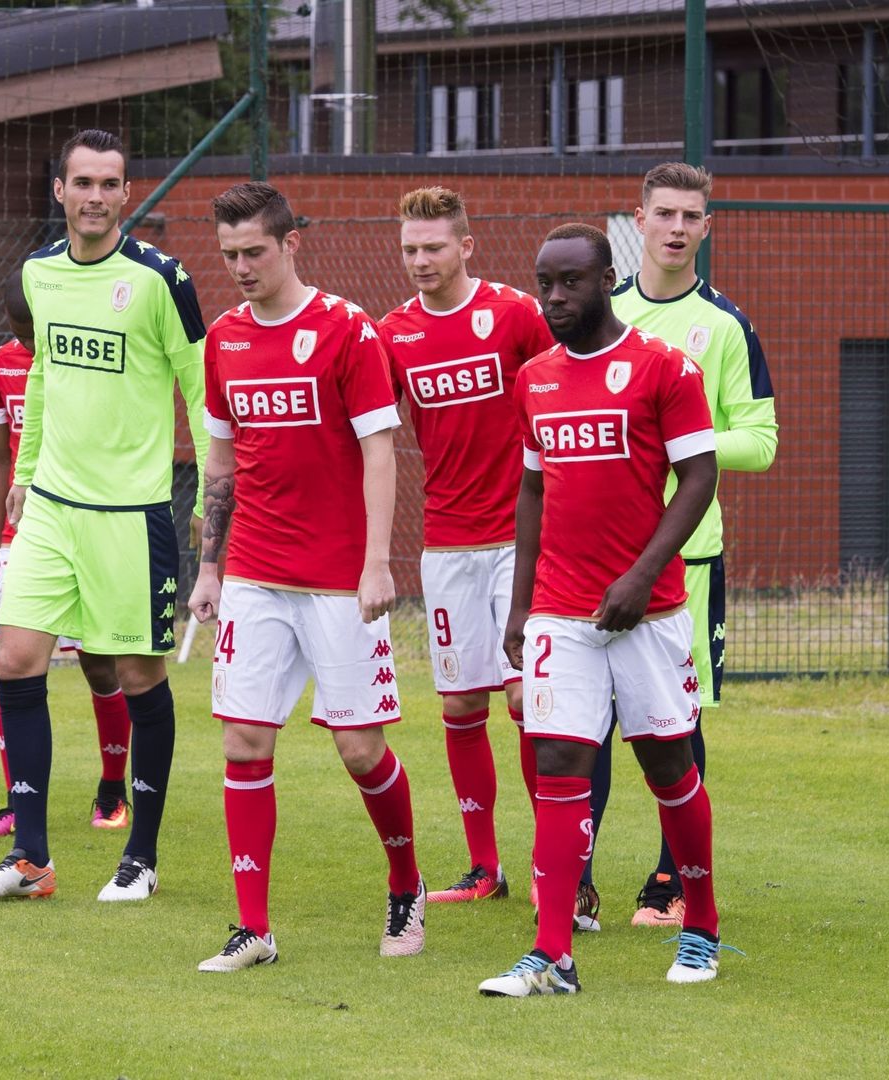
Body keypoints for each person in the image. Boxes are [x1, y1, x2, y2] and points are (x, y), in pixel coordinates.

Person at [479, 223, 732, 996]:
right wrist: (520, 607)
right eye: (544, 283)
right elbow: (530, 488)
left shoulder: (665, 369)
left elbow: (699, 476)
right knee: (558, 760)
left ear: (605, 279)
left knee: (667, 766)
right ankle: (552, 951)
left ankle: (701, 926)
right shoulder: (537, 378)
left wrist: (642, 573)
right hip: (560, 609)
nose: (555, 298)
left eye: (571, 283)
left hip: (648, 611)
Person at [0, 129, 208, 903]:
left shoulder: (163, 280)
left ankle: (141, 855)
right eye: (82, 182)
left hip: (133, 517)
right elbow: (41, 380)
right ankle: (30, 859)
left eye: (110, 183)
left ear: (126, 194)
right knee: (15, 660)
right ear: (58, 192)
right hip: (52, 511)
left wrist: (208, 503)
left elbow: (202, 391)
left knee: (136, 675)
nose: (96, 196)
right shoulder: (38, 276)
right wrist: (25, 477)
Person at [189, 181, 422, 972]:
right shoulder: (221, 338)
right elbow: (221, 462)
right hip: (254, 568)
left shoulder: (346, 330)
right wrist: (210, 565)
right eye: (229, 256)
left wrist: (377, 564)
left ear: (292, 243)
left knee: (359, 749)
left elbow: (380, 452)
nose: (243, 268)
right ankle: (252, 928)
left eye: (255, 251)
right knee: (246, 738)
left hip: (338, 579)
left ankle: (405, 885)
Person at [586, 162, 779, 927]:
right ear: (637, 220)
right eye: (662, 213)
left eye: (689, 216)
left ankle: (672, 882)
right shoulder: (603, 315)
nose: (674, 227)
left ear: (707, 227)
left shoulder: (726, 327)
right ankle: (577, 877)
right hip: (595, 553)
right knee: (582, 719)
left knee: (674, 719)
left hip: (685, 560)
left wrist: (672, 440)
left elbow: (760, 441)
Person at [379, 186, 555, 909]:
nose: (421, 260)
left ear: (466, 247)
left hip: (521, 538)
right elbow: (371, 434)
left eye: (434, 247)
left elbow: (560, 397)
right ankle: (485, 868)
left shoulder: (515, 315)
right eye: (411, 249)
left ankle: (558, 867)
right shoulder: (393, 334)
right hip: (447, 544)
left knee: (527, 698)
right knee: (458, 708)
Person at [0, 268, 132, 838]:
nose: (27, 340)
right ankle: (17, 802)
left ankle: (113, 790)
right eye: (18, 328)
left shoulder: (92, 353)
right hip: (26, 532)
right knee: (10, 664)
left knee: (99, 662)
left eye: (34, 328)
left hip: (90, 524)